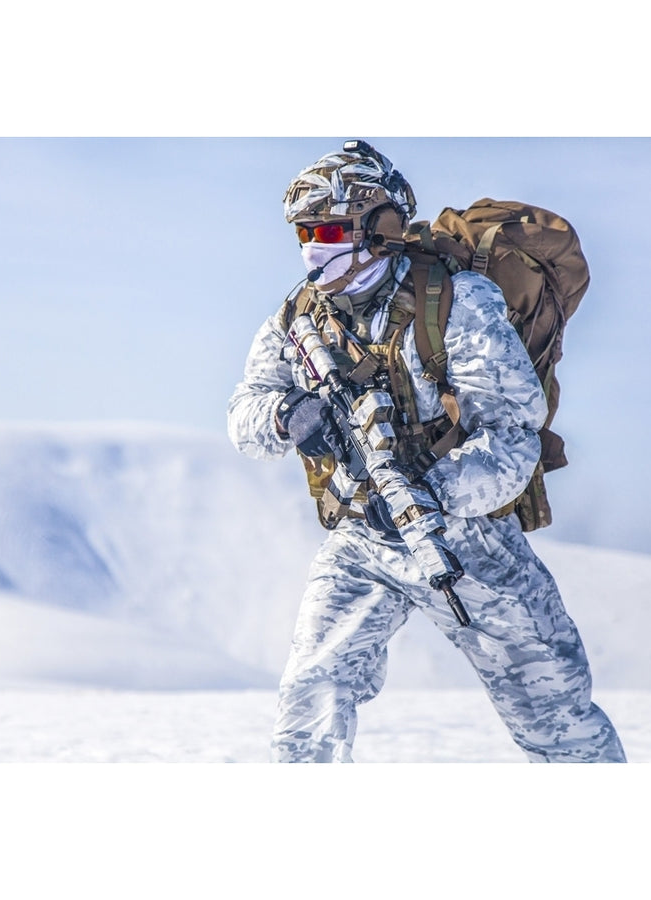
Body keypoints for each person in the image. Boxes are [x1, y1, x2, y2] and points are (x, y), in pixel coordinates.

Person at [226, 140, 626, 763]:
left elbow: (513, 433)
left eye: (330, 228)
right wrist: (285, 417)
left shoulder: (457, 302)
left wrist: (434, 495)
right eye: (305, 231)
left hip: (472, 540)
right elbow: (243, 413)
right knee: (309, 705)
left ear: (377, 227)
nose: (314, 246)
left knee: (556, 717)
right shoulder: (298, 318)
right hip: (362, 539)